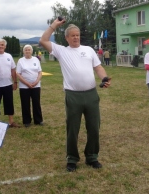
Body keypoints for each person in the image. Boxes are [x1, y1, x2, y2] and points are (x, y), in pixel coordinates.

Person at [40, 19, 111, 172]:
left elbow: (98, 68)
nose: (76, 37)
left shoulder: (89, 50)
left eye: (77, 35)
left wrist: (104, 78)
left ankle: (92, 156)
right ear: (66, 38)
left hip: (91, 94)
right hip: (73, 96)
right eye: (72, 35)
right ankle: (72, 159)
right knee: (73, 128)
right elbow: (43, 40)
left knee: (94, 127)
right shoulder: (62, 51)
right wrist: (54, 25)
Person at [0, 39, 20, 127]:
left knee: (9, 103)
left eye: (2, 45)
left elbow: (13, 70)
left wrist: (15, 82)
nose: (0, 46)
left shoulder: (9, 56)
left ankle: (11, 122)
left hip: (8, 85)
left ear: (5, 46)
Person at [16, 45, 43, 127]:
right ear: (23, 51)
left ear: (31, 51)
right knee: (25, 103)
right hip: (24, 86)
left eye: (29, 50)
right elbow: (18, 73)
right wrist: (27, 83)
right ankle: (27, 121)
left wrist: (36, 81)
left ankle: (38, 120)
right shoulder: (21, 61)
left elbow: (40, 72)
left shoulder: (36, 60)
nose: (27, 51)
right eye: (26, 50)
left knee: (36, 103)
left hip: (36, 85)